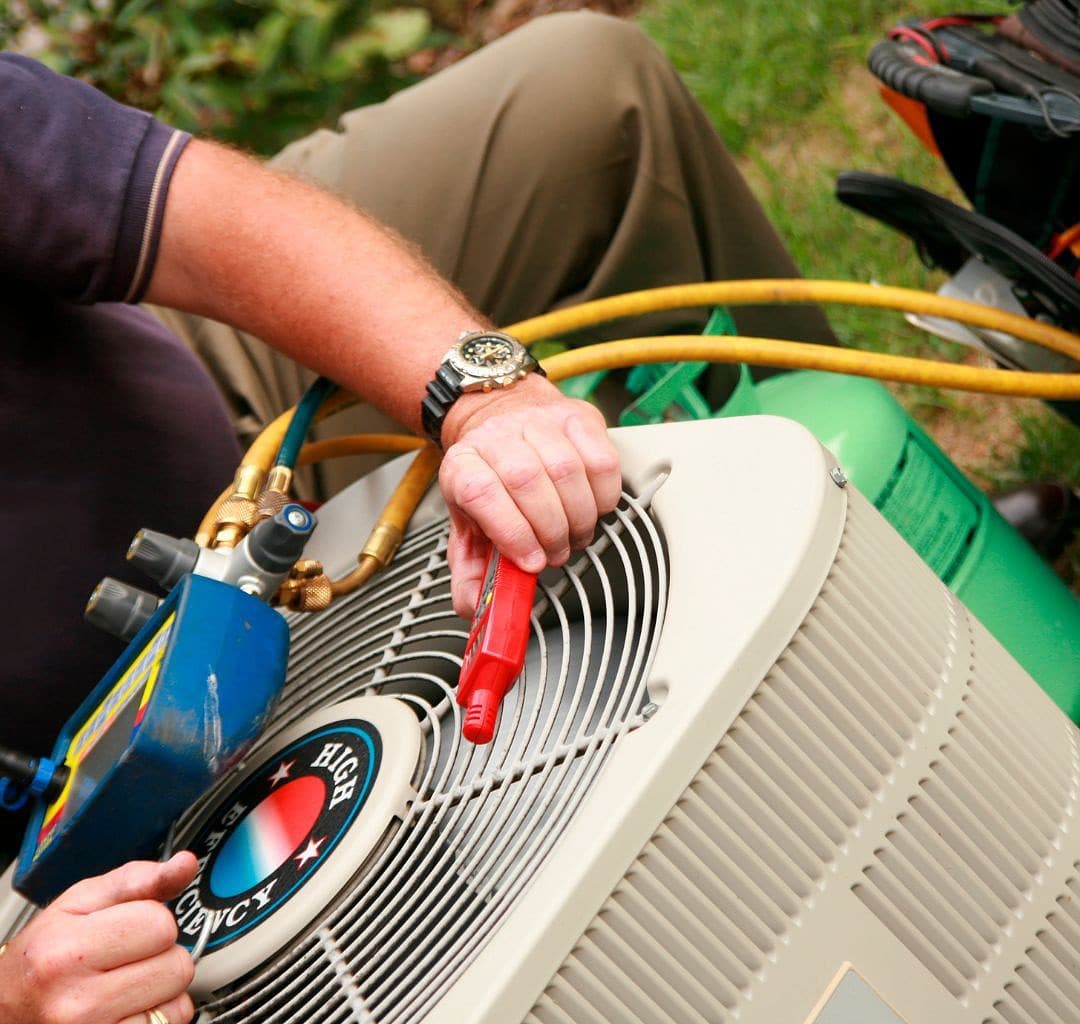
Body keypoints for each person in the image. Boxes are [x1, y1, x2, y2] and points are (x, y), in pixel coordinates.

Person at [0, 11, 834, 1024]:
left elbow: (192, 207)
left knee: (587, 93)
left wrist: (483, 395)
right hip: (36, 873)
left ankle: (859, 526)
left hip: (204, 403)